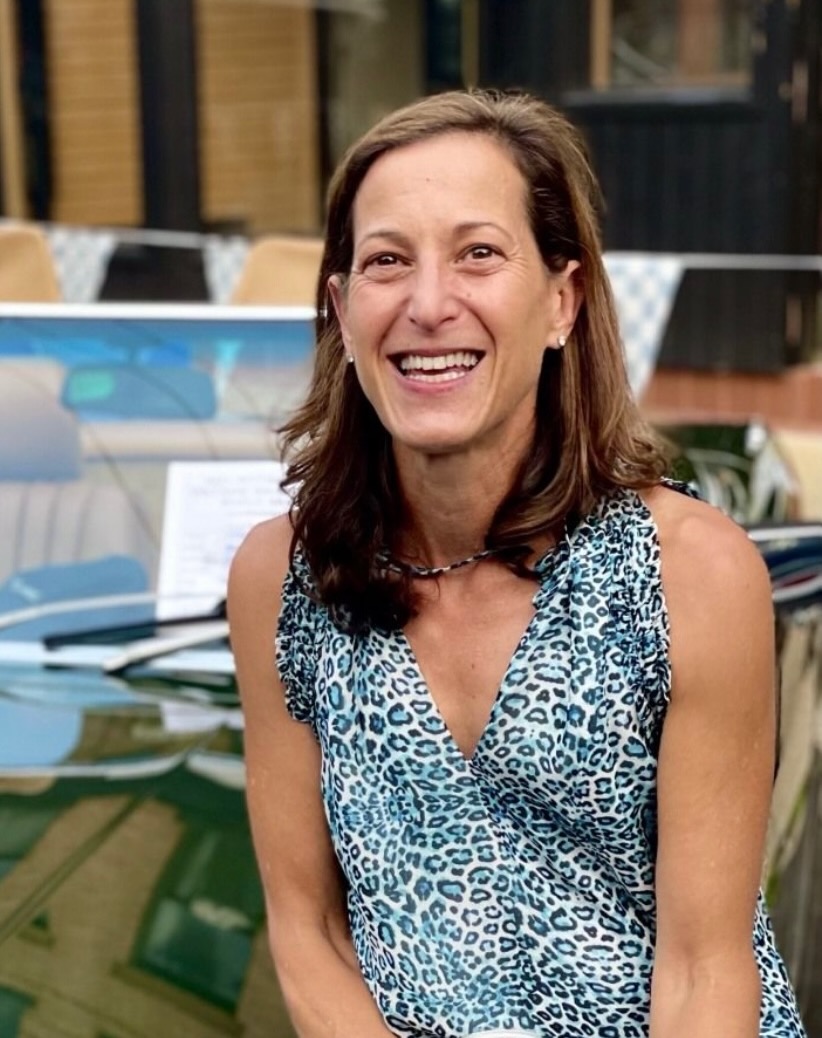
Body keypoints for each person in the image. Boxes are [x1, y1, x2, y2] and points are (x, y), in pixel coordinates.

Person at [227, 88, 805, 1038]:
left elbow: (706, 968)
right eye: (385, 262)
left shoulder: (692, 574)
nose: (427, 304)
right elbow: (309, 931)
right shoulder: (278, 581)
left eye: (478, 254)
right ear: (340, 308)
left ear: (561, 301)